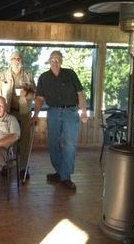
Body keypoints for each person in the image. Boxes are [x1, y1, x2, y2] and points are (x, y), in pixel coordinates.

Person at [32, 50, 88, 190]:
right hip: (53, 113)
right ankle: (60, 172)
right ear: (49, 62)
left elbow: (80, 94)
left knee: (70, 145)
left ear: (61, 61)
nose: (55, 62)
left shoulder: (70, 74)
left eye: (58, 60)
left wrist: (84, 113)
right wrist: (36, 114)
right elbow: (39, 98)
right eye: (53, 60)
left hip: (70, 112)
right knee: (53, 145)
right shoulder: (44, 77)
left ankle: (65, 177)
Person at [0, 51, 36, 179]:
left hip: (24, 112)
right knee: (7, 140)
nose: (16, 61)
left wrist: (26, 94)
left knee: (25, 141)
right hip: (8, 112)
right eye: (14, 58)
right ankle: (6, 166)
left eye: (18, 59)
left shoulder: (28, 75)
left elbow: (34, 94)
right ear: (10, 60)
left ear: (21, 61)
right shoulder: (3, 75)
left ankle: (23, 168)